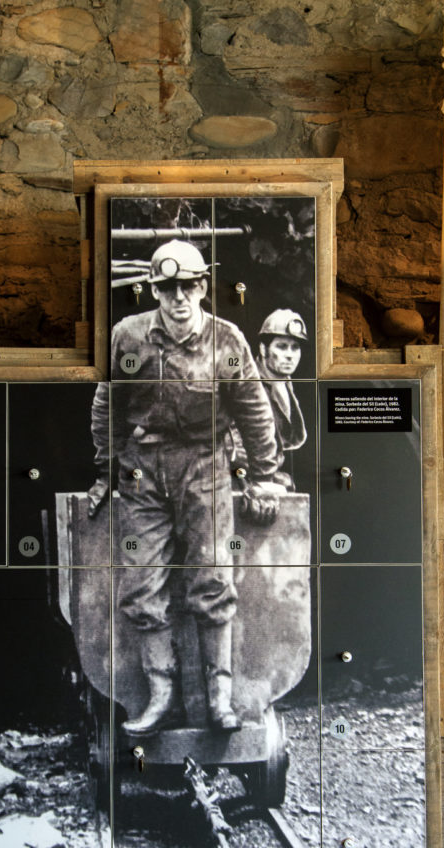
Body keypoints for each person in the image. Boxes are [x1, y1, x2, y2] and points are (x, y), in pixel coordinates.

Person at [88, 239, 284, 737]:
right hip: (143, 471)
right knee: (140, 581)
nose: (179, 298)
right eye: (168, 288)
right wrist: (106, 469)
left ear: (202, 288)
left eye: (188, 287)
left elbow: (254, 410)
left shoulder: (227, 340)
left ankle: (219, 698)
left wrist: (263, 475)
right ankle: (160, 695)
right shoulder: (128, 337)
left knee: (214, 578)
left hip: (205, 466)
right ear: (155, 291)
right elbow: (108, 405)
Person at [255, 309, 308, 490]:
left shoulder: (285, 383)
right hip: (250, 479)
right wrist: (266, 477)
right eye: (282, 346)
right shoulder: (247, 385)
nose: (289, 355)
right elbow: (234, 443)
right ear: (263, 349)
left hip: (274, 474)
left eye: (295, 347)